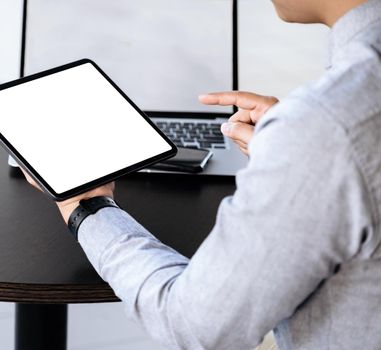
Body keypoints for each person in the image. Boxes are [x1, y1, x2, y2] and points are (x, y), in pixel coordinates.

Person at [22, 0, 381, 348]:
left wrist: (87, 206)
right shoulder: (336, 118)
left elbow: (194, 326)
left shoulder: (325, 127)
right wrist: (298, 154)